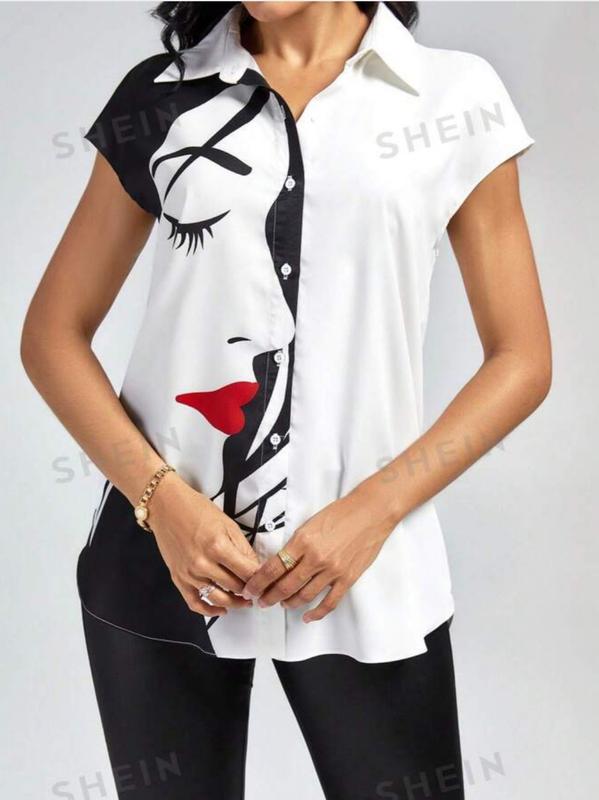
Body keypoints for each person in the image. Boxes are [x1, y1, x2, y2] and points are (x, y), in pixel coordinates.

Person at [21, 2, 551, 798]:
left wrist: (372, 512)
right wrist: (162, 503)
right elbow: (53, 335)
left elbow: (521, 358)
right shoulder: (160, 97)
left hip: (362, 565)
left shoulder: (452, 97)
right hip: (163, 559)